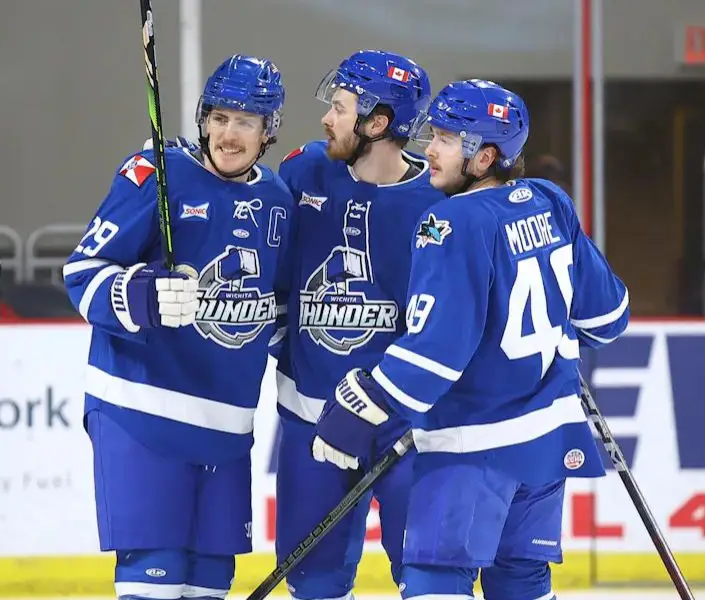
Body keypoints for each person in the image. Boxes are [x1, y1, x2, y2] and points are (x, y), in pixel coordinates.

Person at [310, 79, 630, 600]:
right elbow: (608, 319)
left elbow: (436, 352)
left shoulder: (449, 221)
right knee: (522, 580)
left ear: (485, 158)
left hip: (474, 448)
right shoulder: (551, 201)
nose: (429, 150)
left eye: (446, 140)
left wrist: (362, 405)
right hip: (547, 441)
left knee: (437, 578)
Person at [63, 54, 291, 600]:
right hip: (141, 413)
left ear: (268, 133)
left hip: (229, 429)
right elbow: (81, 272)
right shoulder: (157, 176)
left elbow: (278, 314)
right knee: (155, 576)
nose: (228, 133)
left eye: (245, 122)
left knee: (210, 581)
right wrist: (139, 293)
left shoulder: (279, 201)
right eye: (219, 117)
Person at [272, 49, 441, 599]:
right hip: (310, 419)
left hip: (407, 429)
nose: (326, 118)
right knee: (314, 583)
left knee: (429, 576)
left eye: (341, 108)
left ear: (378, 123)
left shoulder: (438, 204)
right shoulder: (302, 171)